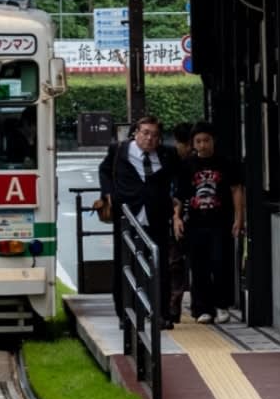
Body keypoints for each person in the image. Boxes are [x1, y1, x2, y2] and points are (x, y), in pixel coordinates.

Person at [99, 115, 176, 328]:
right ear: (136, 133)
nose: (149, 139)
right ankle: (126, 314)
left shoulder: (167, 154)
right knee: (125, 265)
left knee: (159, 265)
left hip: (157, 216)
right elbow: (104, 171)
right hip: (127, 216)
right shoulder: (119, 150)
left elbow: (178, 177)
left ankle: (160, 313)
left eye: (155, 135)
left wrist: (176, 200)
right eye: (145, 133)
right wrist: (108, 194)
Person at [173, 122, 245, 324]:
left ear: (214, 141)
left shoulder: (226, 162)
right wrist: (176, 218)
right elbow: (179, 195)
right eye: (198, 141)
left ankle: (221, 305)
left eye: (206, 140)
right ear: (193, 143)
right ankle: (202, 308)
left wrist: (239, 218)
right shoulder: (187, 165)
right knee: (198, 266)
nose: (202, 145)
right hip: (195, 222)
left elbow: (236, 190)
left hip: (221, 221)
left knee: (220, 262)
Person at [166, 123, 195, 324]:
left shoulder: (186, 163)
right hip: (176, 218)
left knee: (176, 263)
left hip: (185, 217)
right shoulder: (174, 162)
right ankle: (173, 305)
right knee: (175, 262)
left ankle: (175, 305)